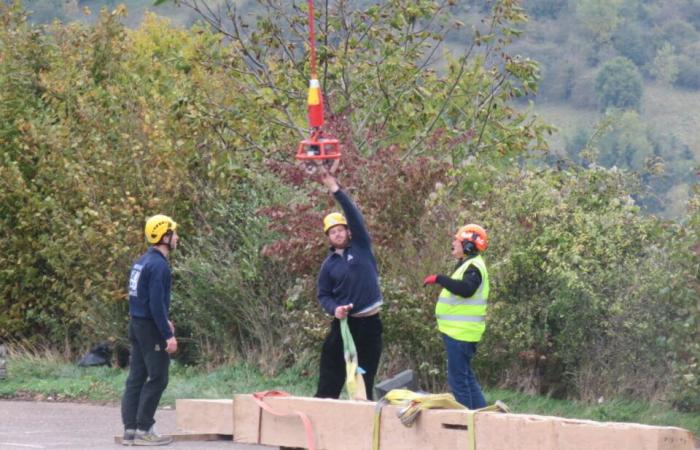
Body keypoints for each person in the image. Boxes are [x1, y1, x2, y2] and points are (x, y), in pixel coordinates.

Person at [314, 170, 383, 400]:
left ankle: (363, 418)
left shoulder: (361, 246)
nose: (338, 234)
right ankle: (324, 410)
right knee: (330, 371)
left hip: (370, 324)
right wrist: (335, 309)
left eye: (341, 229)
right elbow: (323, 295)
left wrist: (335, 189)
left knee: (365, 375)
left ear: (348, 231)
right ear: (328, 237)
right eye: (333, 232)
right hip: (345, 325)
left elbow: (354, 215)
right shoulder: (328, 266)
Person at [121, 214, 179, 446]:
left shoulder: (142, 261)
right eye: (173, 233)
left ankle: (130, 431)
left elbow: (144, 300)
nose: (176, 237)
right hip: (150, 328)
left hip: (137, 324)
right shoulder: (159, 266)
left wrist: (165, 320)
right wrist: (168, 335)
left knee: (136, 377)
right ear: (164, 236)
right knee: (158, 377)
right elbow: (155, 303)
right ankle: (144, 428)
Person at [423, 224, 489, 409]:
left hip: (461, 334)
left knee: (459, 381)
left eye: (457, 240)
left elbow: (466, 289)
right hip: (459, 333)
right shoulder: (468, 264)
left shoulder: (474, 267)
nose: (453, 243)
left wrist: (439, 279)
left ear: (468, 246)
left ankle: (465, 424)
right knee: (465, 377)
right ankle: (484, 418)